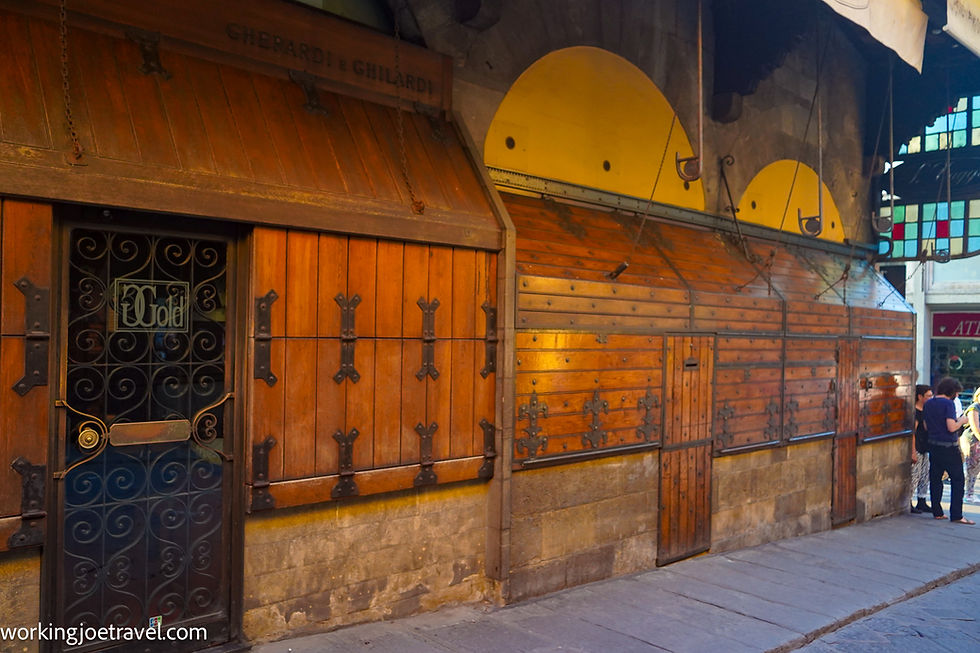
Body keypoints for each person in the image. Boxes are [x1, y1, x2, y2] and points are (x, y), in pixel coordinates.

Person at [924, 377, 973, 524]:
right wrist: (963, 421)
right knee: (958, 480)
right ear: (951, 391)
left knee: (935, 479)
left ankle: (937, 511)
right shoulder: (948, 404)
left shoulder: (929, 403)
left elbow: (926, 426)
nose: (957, 395)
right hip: (948, 446)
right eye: (956, 392)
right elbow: (951, 427)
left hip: (933, 444)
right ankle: (957, 515)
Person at [910, 384, 933, 513]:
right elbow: (912, 433)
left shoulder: (926, 410)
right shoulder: (915, 413)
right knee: (915, 475)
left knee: (924, 475)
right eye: (928, 395)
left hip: (925, 447)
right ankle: (909, 502)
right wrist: (913, 452)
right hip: (917, 447)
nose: (931, 397)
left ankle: (922, 500)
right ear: (920, 396)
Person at [966, 388, 980, 503]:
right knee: (972, 467)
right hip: (973, 440)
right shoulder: (974, 407)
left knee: (975, 468)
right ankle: (968, 494)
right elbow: (975, 428)